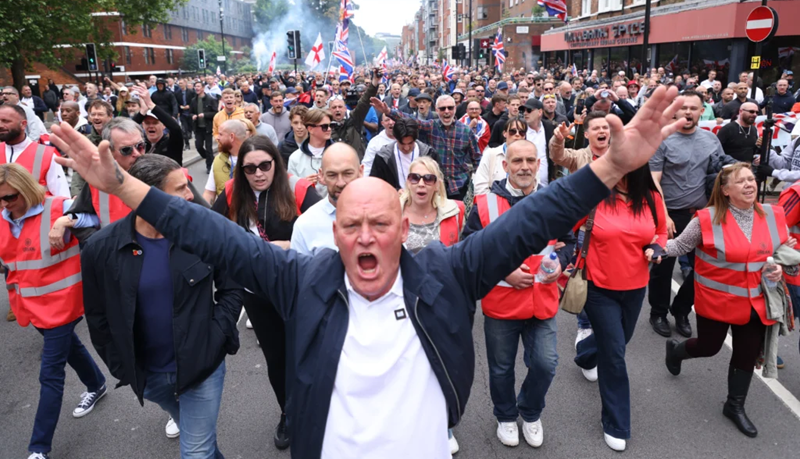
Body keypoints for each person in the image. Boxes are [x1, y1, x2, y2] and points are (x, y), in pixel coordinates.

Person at [51, 85, 687, 459]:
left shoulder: (447, 271)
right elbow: (214, 235)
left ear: (401, 231)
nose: (365, 237)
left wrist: (606, 170)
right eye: (351, 226)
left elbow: (530, 222)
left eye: (379, 225)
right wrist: (128, 188)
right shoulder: (302, 279)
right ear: (333, 234)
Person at [80, 154, 242, 456]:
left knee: (195, 450)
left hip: (201, 367)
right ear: (147, 196)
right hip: (150, 377)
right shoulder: (100, 248)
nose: (189, 194)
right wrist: (121, 366)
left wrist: (219, 332)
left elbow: (231, 285)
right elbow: (98, 316)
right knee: (202, 443)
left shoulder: (202, 232)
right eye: (179, 188)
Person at [663, 162, 791, 438]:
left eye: (752, 179)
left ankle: (735, 406)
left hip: (756, 303)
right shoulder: (706, 219)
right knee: (709, 347)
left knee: (746, 354)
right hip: (717, 301)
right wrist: (649, 245)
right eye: (741, 181)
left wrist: (781, 267)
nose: (749, 184)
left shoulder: (773, 215)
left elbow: (782, 253)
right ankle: (676, 352)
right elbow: (679, 247)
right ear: (725, 190)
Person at [463, 139, 573, 449]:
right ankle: (506, 415)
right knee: (501, 368)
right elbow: (469, 251)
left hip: (543, 301)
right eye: (517, 161)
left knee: (545, 364)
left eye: (529, 160)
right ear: (505, 165)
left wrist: (560, 262)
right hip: (502, 304)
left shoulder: (555, 201)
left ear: (539, 164)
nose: (523, 166)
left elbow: (569, 242)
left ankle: (530, 411)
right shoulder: (484, 204)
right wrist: (504, 271)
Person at [211, 136, 319, 450]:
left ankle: (316, 407)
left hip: (299, 286)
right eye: (250, 168)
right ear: (240, 170)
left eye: (265, 165)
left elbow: (327, 232)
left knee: (308, 351)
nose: (258, 173)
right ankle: (288, 411)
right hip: (256, 291)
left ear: (276, 162)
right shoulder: (233, 192)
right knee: (276, 356)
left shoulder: (298, 189)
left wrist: (287, 247)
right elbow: (211, 229)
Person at [0, 164, 106, 459]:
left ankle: (38, 448)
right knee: (70, 348)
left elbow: (99, 218)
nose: (6, 205)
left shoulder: (58, 207)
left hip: (64, 303)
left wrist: (66, 221)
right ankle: (97, 384)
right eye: (0, 200)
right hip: (30, 306)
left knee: (50, 372)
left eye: (10, 198)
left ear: (26, 188)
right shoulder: (3, 217)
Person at [572, 160, 667, 451]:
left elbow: (661, 232)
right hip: (598, 287)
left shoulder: (651, 198)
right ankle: (616, 423)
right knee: (614, 355)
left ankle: (586, 354)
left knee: (619, 341)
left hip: (636, 286)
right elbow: (563, 229)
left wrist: (656, 247)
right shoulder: (593, 196)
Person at [648, 90, 736, 338]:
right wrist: (663, 215)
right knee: (663, 268)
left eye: (693, 108)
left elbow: (722, 173)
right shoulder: (663, 138)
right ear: (675, 110)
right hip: (669, 213)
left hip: (703, 214)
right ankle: (658, 312)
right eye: (684, 107)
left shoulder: (711, 140)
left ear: (701, 111)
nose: (688, 112)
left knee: (705, 268)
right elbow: (654, 180)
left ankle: (682, 309)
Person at [399, 156, 465, 455]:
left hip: (442, 302)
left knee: (440, 365)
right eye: (415, 178)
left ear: (437, 182)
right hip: (403, 303)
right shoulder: (392, 211)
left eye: (428, 179)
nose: (421, 184)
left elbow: (464, 254)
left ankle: (442, 426)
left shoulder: (456, 211)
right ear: (407, 182)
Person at [373, 94, 481, 200]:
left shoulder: (466, 131)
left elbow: (476, 158)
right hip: (434, 186)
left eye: (450, 108)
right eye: (442, 108)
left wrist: (478, 183)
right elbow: (410, 120)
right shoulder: (431, 126)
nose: (446, 111)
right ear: (437, 110)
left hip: (459, 185)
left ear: (455, 109)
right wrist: (388, 111)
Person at [290, 143, 364, 256]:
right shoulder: (305, 225)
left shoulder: (381, 215)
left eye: (347, 174)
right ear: (321, 176)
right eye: (332, 175)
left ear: (361, 172)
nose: (340, 183)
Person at [0, 104, 69, 197]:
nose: (0, 125)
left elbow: (62, 197)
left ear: (23, 124)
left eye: (6, 121)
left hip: (39, 211)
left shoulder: (46, 155)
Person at [369, 118, 437, 190]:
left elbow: (439, 182)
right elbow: (375, 184)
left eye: (410, 143)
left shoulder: (429, 154)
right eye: (402, 144)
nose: (406, 148)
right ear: (395, 139)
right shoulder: (383, 157)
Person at [328, 70, 380, 158]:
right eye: (334, 107)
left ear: (345, 108)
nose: (337, 110)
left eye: (340, 107)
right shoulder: (324, 125)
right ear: (329, 110)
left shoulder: (354, 119)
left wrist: (375, 82)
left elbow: (364, 102)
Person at [129, 84, 184, 166]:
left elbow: (176, 129)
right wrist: (142, 112)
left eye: (155, 123)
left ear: (164, 125)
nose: (151, 126)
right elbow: (126, 131)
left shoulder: (171, 143)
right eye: (147, 123)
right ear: (143, 125)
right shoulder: (140, 145)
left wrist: (151, 104)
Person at [473, 119, 527, 195]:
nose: (517, 134)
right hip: (494, 203)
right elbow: (480, 187)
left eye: (521, 132)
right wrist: (496, 205)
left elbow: (534, 186)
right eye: (513, 131)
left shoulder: (530, 156)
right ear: (505, 133)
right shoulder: (490, 154)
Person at [287, 109, 333, 196]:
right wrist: (303, 185)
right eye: (324, 126)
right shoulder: (295, 158)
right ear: (310, 129)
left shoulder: (339, 154)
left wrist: (330, 182)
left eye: (331, 125)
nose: (329, 129)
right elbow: (290, 192)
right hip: (306, 208)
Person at [204, 119, 248, 203]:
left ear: (232, 137)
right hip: (223, 215)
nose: (217, 138)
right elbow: (209, 193)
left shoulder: (253, 159)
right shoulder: (218, 160)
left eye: (220, 134)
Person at [522, 98, 555, 186]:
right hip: (525, 184)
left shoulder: (549, 126)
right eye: (524, 110)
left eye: (529, 110)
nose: (525, 113)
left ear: (540, 112)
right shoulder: (519, 129)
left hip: (546, 184)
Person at [189, 81, 218, 173]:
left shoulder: (210, 99)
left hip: (208, 128)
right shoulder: (193, 100)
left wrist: (205, 115)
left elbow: (215, 113)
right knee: (198, 146)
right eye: (195, 86)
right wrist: (192, 115)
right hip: (198, 128)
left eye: (198, 86)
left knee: (209, 148)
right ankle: (210, 158)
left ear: (203, 88)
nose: (196, 88)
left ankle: (209, 166)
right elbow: (190, 112)